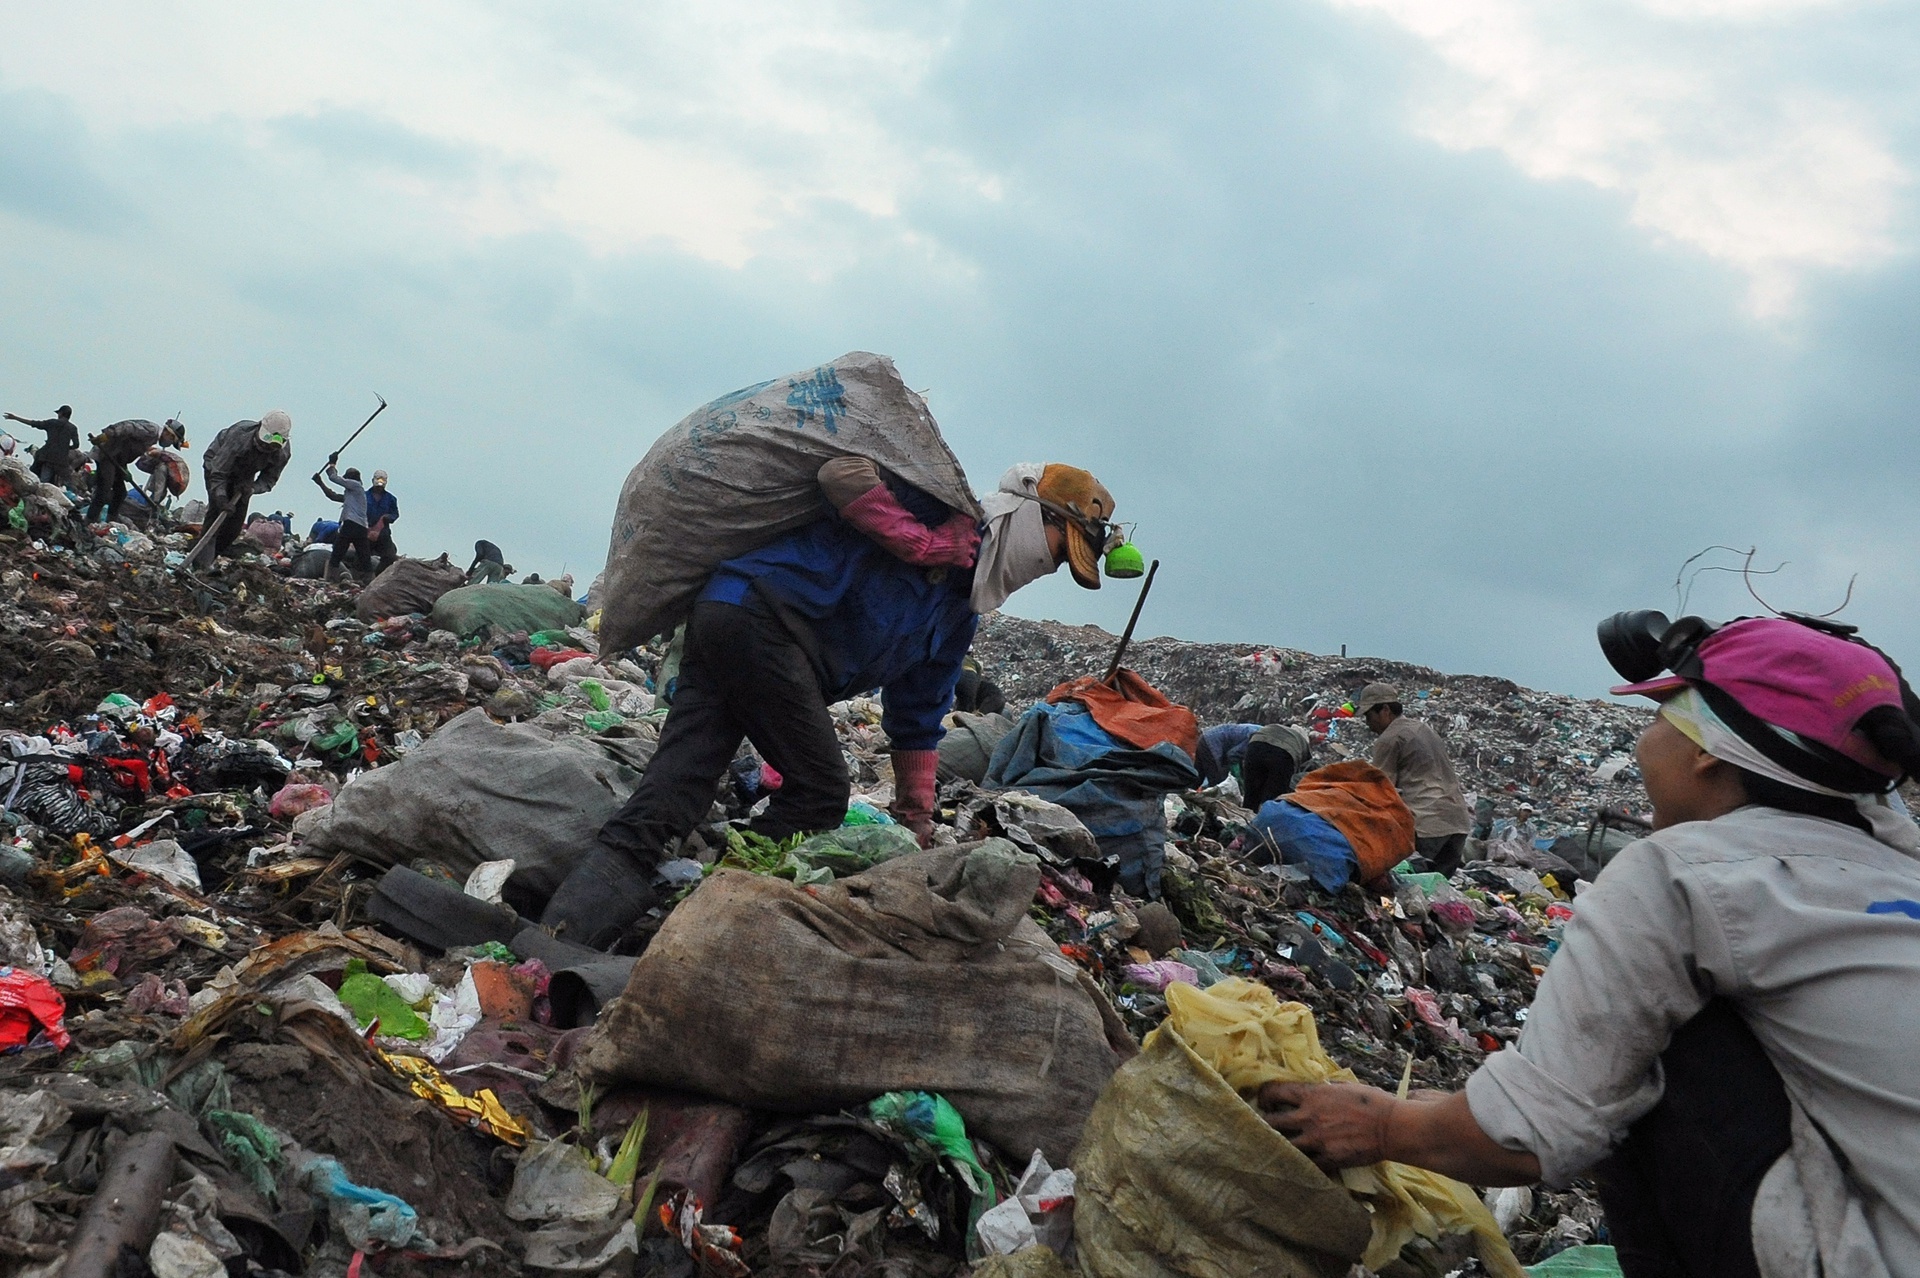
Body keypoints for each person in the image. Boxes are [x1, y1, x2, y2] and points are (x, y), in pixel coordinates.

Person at [1262, 617, 1920, 1277]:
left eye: (1660, 718)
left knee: (1647, 1045)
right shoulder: (1899, 869)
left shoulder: (1686, 870)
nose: (1645, 741)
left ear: (1709, 750)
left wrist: (1383, 1127)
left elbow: (1527, 1136)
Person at [541, 458, 1122, 947]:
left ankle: (559, 938)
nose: (1047, 567)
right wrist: (917, 540)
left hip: (737, 623)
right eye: (1057, 550)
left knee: (679, 783)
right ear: (1035, 517)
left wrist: (916, 816)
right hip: (756, 617)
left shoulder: (958, 609)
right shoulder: (939, 510)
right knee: (819, 791)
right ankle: (704, 918)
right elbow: (843, 473)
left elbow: (917, 715)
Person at [1357, 682, 1470, 874]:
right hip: (1458, 821)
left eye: (1369, 716)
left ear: (1385, 710)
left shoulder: (1389, 738)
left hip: (1426, 824)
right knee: (1436, 886)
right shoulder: (1424, 729)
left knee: (1409, 880)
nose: (1367, 723)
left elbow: (1381, 788)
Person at [201, 413, 293, 557]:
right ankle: (201, 558)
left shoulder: (282, 453)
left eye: (271, 447)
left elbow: (268, 480)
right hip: (216, 464)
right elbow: (219, 471)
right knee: (216, 513)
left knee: (234, 526)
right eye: (264, 444)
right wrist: (221, 498)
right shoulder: (239, 436)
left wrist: (252, 489)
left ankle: (214, 555)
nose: (266, 448)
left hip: (245, 476)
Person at [86, 418, 183, 525]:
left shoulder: (152, 439)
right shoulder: (152, 430)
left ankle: (111, 523)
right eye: (171, 440)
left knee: (120, 493)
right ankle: (89, 521)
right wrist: (107, 435)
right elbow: (128, 427)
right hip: (107, 454)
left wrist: (125, 469)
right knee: (104, 489)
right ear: (169, 434)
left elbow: (127, 447)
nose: (169, 443)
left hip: (117, 460)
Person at [313, 456, 371, 579]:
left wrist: (332, 464)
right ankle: (369, 579)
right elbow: (333, 496)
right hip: (361, 527)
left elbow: (334, 478)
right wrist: (320, 483)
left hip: (351, 524)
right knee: (364, 556)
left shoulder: (356, 486)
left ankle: (330, 578)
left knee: (337, 552)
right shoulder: (353, 495)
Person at [4, 405, 80, 487]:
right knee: (68, 484)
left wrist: (15, 418)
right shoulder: (73, 428)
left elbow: (34, 423)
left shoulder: (52, 423)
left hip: (47, 458)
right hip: (62, 461)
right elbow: (76, 445)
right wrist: (65, 448)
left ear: (61, 413)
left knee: (43, 483)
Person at [364, 469, 399, 575]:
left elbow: (395, 514)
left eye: (382, 480)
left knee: (390, 556)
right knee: (362, 556)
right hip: (366, 532)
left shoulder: (391, 499)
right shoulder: (364, 496)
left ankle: (378, 574)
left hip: (383, 533)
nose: (380, 483)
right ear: (373, 480)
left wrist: (389, 517)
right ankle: (364, 576)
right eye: (378, 479)